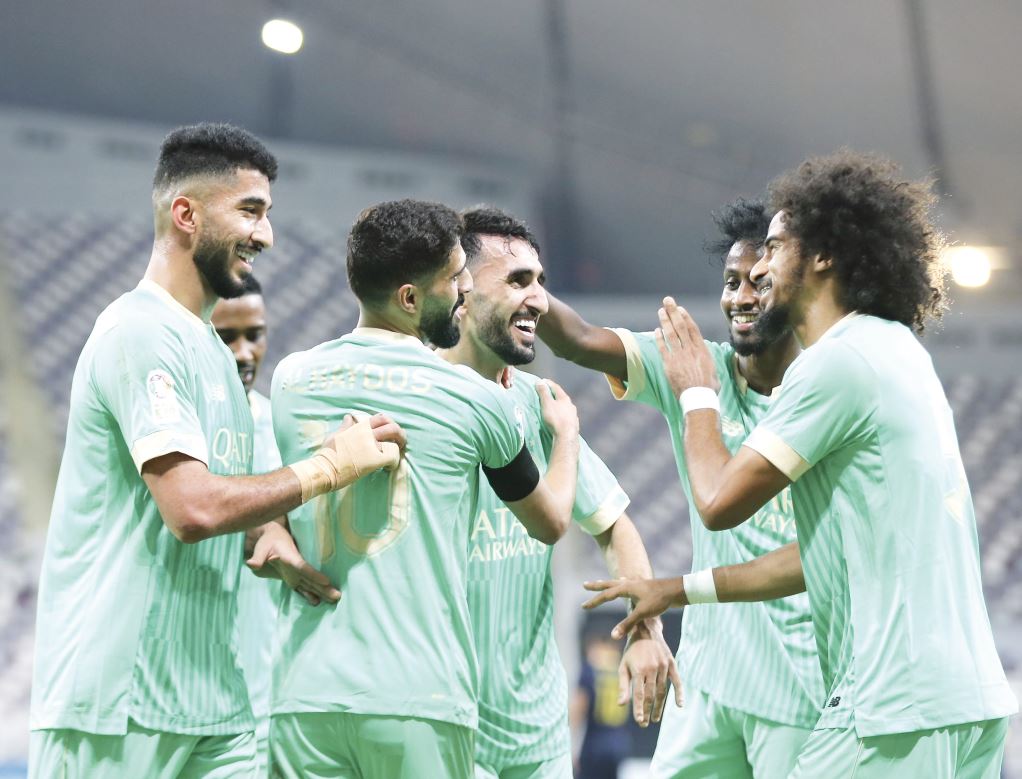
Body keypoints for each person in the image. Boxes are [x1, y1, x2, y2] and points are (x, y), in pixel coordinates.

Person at [585, 150, 1018, 777]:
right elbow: (820, 555)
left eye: (776, 246)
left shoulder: (833, 362)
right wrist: (676, 590)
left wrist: (695, 390)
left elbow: (716, 503)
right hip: (967, 699)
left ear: (822, 258)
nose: (762, 264)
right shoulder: (898, 350)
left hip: (890, 702)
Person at [29, 123, 403, 779]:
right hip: (117, 706)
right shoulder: (140, 331)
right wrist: (328, 466)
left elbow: (222, 498)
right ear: (186, 214)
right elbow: (192, 508)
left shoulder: (211, 352)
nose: (266, 235)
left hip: (213, 706)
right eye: (250, 211)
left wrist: (268, 538)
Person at [268, 198, 581, 779]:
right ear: (411, 299)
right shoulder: (476, 401)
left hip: (302, 695)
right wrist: (566, 437)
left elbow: (272, 492)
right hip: (420, 697)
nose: (463, 292)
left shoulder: (291, 379)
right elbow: (551, 521)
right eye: (453, 279)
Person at [538, 198, 823, 778]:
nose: (741, 297)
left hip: (799, 687)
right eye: (730, 281)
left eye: (759, 282)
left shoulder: (826, 393)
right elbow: (578, 339)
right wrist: (519, 286)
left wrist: (698, 396)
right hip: (708, 685)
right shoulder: (695, 365)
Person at [437, 207, 677, 779]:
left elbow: (615, 524)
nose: (539, 300)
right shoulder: (418, 397)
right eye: (518, 281)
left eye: (541, 282)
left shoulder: (543, 406)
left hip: (537, 734)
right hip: (442, 721)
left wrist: (646, 630)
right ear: (462, 293)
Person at [211, 273, 282, 775]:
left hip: (264, 699)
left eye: (253, 334)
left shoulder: (282, 426)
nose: (244, 352)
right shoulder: (170, 435)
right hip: (178, 688)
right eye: (226, 337)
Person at [570, 633, 632, 779]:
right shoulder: (620, 669)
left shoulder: (590, 670)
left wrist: (572, 746)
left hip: (593, 745)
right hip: (618, 742)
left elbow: (578, 709)